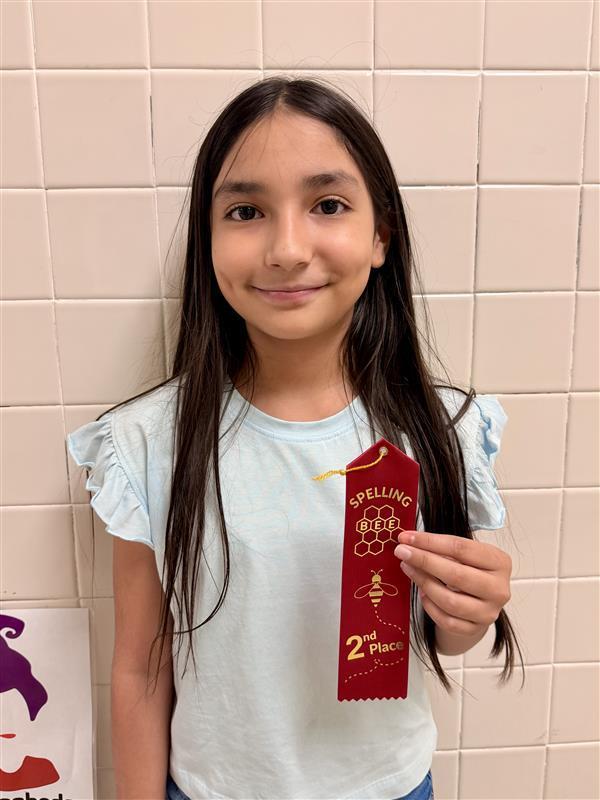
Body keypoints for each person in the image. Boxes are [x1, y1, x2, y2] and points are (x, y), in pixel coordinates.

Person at [66, 76, 524, 800]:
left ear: (380, 236)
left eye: (328, 205)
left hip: (391, 787)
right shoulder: (146, 444)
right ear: (207, 241)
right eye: (246, 210)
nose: (285, 248)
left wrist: (471, 615)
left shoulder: (448, 429)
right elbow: (140, 666)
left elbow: (446, 638)